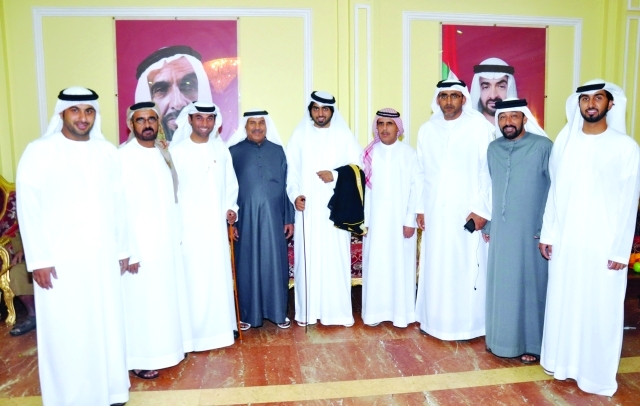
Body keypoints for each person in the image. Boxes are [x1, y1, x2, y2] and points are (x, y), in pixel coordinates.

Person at [16, 87, 130, 405]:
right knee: (66, 329)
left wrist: (123, 249)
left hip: (102, 257)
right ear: (62, 113)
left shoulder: (107, 152)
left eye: (89, 111)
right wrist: (38, 260)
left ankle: (111, 391)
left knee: (106, 325)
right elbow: (28, 207)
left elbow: (119, 204)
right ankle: (69, 396)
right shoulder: (39, 151)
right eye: (76, 110)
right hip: (59, 261)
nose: (83, 117)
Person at [539, 80, 640, 396]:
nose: (591, 104)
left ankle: (595, 376)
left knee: (600, 309)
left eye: (598, 98)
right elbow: (555, 191)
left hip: (603, 245)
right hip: (567, 242)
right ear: (578, 104)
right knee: (564, 303)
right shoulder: (565, 142)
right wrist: (548, 233)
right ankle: (562, 365)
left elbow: (629, 202)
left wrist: (620, 250)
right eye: (585, 98)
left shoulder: (626, 147)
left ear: (611, 104)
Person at [414, 76, 493, 341]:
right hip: (435, 211)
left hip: (467, 212)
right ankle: (434, 321)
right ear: (437, 100)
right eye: (444, 96)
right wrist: (420, 208)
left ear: (463, 99)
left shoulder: (478, 127)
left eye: (454, 96)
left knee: (465, 265)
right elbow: (420, 172)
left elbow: (487, 171)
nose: (449, 101)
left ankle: (468, 325)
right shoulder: (427, 130)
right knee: (436, 264)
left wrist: (482, 209)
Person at [119, 102, 193, 380]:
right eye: (141, 120)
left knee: (165, 299)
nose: (147, 124)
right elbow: (119, 209)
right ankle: (140, 359)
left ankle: (169, 350)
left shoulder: (163, 153)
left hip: (166, 242)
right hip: (140, 247)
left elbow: (173, 197)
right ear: (131, 124)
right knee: (142, 304)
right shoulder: (122, 157)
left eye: (152, 119)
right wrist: (130, 250)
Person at [482, 99, 552, 364]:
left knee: (529, 286)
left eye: (514, 116)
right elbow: (490, 187)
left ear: (524, 118)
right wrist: (489, 224)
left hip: (531, 231)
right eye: (502, 117)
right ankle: (498, 340)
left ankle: (530, 343)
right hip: (501, 231)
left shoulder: (543, 146)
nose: (508, 122)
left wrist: (546, 229)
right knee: (502, 286)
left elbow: (554, 190)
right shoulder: (493, 148)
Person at [286, 91, 363, 327]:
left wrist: (336, 175)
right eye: (316, 108)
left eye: (325, 109)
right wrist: (295, 195)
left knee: (334, 260)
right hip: (307, 211)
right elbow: (291, 172)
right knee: (307, 262)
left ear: (331, 111)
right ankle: (307, 313)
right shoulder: (300, 135)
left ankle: (336, 313)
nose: (320, 113)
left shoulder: (343, 136)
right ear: (310, 111)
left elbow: (359, 168)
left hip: (335, 210)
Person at [170, 101, 239, 350]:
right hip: (188, 228)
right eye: (199, 118)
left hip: (215, 229)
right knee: (194, 281)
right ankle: (194, 336)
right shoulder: (177, 152)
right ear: (189, 120)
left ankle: (220, 332)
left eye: (209, 119)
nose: (204, 123)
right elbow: (172, 193)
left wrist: (231, 209)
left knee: (217, 279)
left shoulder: (221, 150)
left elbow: (230, 185)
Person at [228, 110, 295, 330]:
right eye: (252, 123)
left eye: (261, 123)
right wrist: (232, 223)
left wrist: (289, 218)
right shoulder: (233, 152)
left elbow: (287, 185)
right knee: (246, 266)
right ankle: (248, 315)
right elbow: (228, 190)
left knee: (275, 264)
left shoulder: (278, 151)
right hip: (245, 220)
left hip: (274, 219)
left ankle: (278, 313)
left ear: (267, 126)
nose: (257, 127)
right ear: (245, 126)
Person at [361, 108, 418, 328]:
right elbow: (364, 193)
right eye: (381, 124)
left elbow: (415, 189)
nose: (384, 129)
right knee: (376, 266)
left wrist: (409, 220)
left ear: (398, 128)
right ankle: (374, 314)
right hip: (375, 224)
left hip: (401, 223)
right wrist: (365, 223)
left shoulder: (409, 154)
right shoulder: (369, 154)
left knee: (400, 267)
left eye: (389, 124)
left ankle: (401, 315)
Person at [135, 46, 212, 141]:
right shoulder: (129, 151)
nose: (178, 104)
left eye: (188, 87)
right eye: (161, 90)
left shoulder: (220, 150)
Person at [470, 57, 518, 125]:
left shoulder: (523, 130)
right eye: (486, 87)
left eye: (501, 87)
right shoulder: (467, 129)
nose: (493, 96)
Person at [6, 232, 37, 336]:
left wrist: (25, 250)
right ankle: (33, 315)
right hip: (19, 261)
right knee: (16, 272)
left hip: (43, 257)